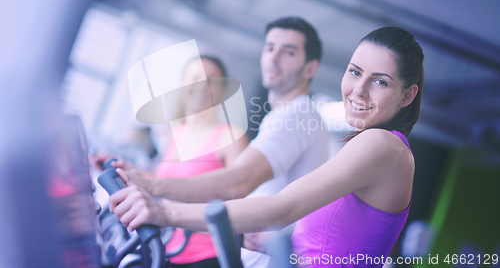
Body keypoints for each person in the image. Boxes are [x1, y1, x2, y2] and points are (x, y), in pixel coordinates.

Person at [109, 26, 424, 268]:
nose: (359, 89)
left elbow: (279, 206)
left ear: (407, 95)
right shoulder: (375, 147)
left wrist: (165, 211)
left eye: (380, 81)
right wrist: (271, 241)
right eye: (355, 72)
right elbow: (339, 248)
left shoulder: (382, 145)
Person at [115, 17, 330, 267]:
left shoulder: (296, 116)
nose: (274, 57)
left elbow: (239, 182)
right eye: (270, 48)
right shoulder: (284, 117)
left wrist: (153, 188)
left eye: (289, 52)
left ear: (310, 69)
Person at [92, 55, 249, 268]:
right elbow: (164, 182)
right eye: (195, 79)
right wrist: (125, 168)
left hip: (209, 254)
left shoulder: (231, 136)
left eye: (211, 81)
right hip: (169, 248)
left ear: (222, 91)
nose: (202, 87)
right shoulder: (179, 134)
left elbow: (240, 197)